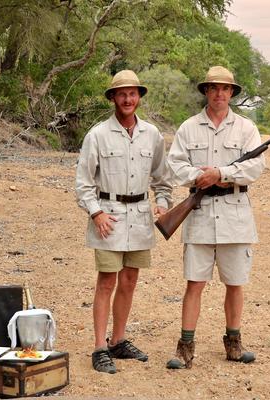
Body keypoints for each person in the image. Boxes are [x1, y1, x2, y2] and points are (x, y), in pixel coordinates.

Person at [165, 66, 264, 369]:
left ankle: (233, 343)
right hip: (199, 213)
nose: (220, 94)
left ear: (232, 92)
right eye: (214, 88)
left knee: (235, 283)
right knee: (195, 283)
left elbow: (256, 167)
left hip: (235, 213)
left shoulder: (246, 128)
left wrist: (221, 173)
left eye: (225, 88)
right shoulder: (188, 127)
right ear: (206, 91)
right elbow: (175, 166)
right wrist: (201, 177)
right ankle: (185, 347)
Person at [75, 70, 173, 374]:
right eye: (122, 94)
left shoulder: (152, 134)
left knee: (130, 281)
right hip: (110, 217)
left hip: (141, 217)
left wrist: (163, 204)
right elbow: (83, 183)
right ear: (113, 98)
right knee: (106, 281)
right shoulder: (97, 135)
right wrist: (96, 213)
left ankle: (118, 340)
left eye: (133, 94)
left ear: (139, 97)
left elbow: (163, 178)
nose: (128, 99)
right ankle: (99, 347)